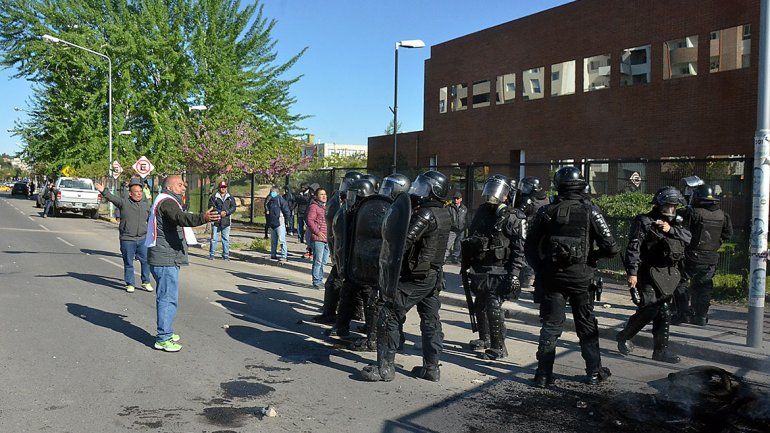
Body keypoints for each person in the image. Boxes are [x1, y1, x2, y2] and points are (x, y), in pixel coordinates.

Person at [525, 166, 619, 387]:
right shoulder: (591, 211)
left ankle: (543, 375)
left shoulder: (545, 211)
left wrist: (542, 269)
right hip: (581, 278)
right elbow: (612, 247)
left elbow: (529, 247)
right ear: (581, 186)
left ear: (558, 186)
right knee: (586, 325)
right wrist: (592, 258)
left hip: (552, 278)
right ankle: (594, 373)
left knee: (551, 326)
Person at [362, 170, 452, 382]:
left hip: (416, 277)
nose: (419, 190)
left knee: (389, 313)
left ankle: (385, 369)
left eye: (425, 187)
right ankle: (431, 368)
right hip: (433, 275)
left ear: (434, 190)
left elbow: (402, 242)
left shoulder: (425, 214)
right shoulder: (444, 213)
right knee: (430, 321)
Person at [616, 186, 691, 364]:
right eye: (667, 206)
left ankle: (660, 351)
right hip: (647, 271)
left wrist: (670, 230)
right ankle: (624, 335)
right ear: (659, 205)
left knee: (664, 311)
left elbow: (688, 238)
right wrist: (632, 272)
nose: (671, 210)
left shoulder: (677, 223)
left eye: (674, 206)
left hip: (668, 274)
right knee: (650, 308)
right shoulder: (644, 221)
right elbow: (633, 247)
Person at [146, 175, 220, 352]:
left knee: (168, 297)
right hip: (165, 258)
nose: (184, 187)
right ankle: (163, 338)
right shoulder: (167, 202)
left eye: (184, 185)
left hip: (165, 256)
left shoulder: (166, 200)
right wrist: (203, 218)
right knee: (167, 299)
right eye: (179, 185)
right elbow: (180, 218)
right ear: (169, 187)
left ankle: (167, 332)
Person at [460, 175, 525, 360]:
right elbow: (472, 235)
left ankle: (499, 347)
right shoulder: (482, 211)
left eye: (498, 192)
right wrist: (467, 260)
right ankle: (485, 338)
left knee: (493, 306)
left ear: (507, 195)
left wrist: (514, 274)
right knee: (479, 304)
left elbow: (519, 250)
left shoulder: (514, 217)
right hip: (481, 267)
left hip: (500, 269)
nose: (493, 196)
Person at [672, 184, 733, 326]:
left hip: (691, 256)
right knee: (704, 287)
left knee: (680, 282)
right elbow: (728, 235)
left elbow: (680, 229)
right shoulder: (723, 215)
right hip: (711, 257)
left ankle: (682, 314)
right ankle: (701, 317)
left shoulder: (693, 213)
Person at [328, 178, 377, 341]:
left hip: (366, 264)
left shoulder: (372, 213)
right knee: (347, 294)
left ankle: (372, 335)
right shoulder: (350, 211)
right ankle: (341, 327)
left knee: (369, 299)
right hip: (352, 262)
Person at [96, 178, 153, 293]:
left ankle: (146, 281)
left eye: (140, 191)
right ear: (130, 194)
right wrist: (103, 190)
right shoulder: (124, 203)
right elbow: (111, 197)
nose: (139, 194)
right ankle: (130, 283)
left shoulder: (145, 205)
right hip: (127, 239)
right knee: (128, 262)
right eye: (136, 192)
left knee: (146, 261)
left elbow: (152, 220)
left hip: (142, 238)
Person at [517, 176, 549, 288]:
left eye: (525, 187)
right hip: (541, 233)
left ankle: (526, 279)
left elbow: (518, 213)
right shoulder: (545, 198)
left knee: (526, 255)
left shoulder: (530, 200)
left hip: (529, 231)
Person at [306, 188, 329, 289]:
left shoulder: (326, 207)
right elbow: (310, 221)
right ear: (316, 196)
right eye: (321, 194)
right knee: (318, 261)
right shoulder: (313, 207)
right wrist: (317, 232)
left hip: (327, 238)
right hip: (318, 238)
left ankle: (320, 279)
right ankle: (316, 281)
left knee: (323, 261)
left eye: (325, 194)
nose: (324, 196)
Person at [208, 180, 237, 261]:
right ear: (219, 187)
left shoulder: (230, 197)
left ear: (226, 187)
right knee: (214, 239)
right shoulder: (214, 197)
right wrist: (220, 212)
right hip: (216, 220)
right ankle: (212, 254)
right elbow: (211, 207)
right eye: (221, 187)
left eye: (224, 187)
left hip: (226, 221)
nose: (223, 188)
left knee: (225, 239)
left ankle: (225, 255)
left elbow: (233, 207)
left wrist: (226, 212)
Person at [266, 186, 291, 262]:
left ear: (277, 192)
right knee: (273, 241)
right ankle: (273, 254)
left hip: (280, 223)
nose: (271, 193)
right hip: (272, 223)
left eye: (273, 192)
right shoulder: (270, 201)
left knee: (282, 240)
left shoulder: (281, 200)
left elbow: (287, 212)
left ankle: (284, 256)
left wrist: (286, 222)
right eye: (271, 192)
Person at [446, 191, 468, 264]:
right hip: (453, 229)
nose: (456, 200)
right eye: (455, 198)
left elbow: (466, 218)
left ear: (461, 199)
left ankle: (455, 258)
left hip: (461, 229)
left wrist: (465, 226)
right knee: (448, 243)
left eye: (457, 198)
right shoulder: (449, 207)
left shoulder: (464, 208)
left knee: (458, 245)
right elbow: (448, 217)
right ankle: (444, 257)